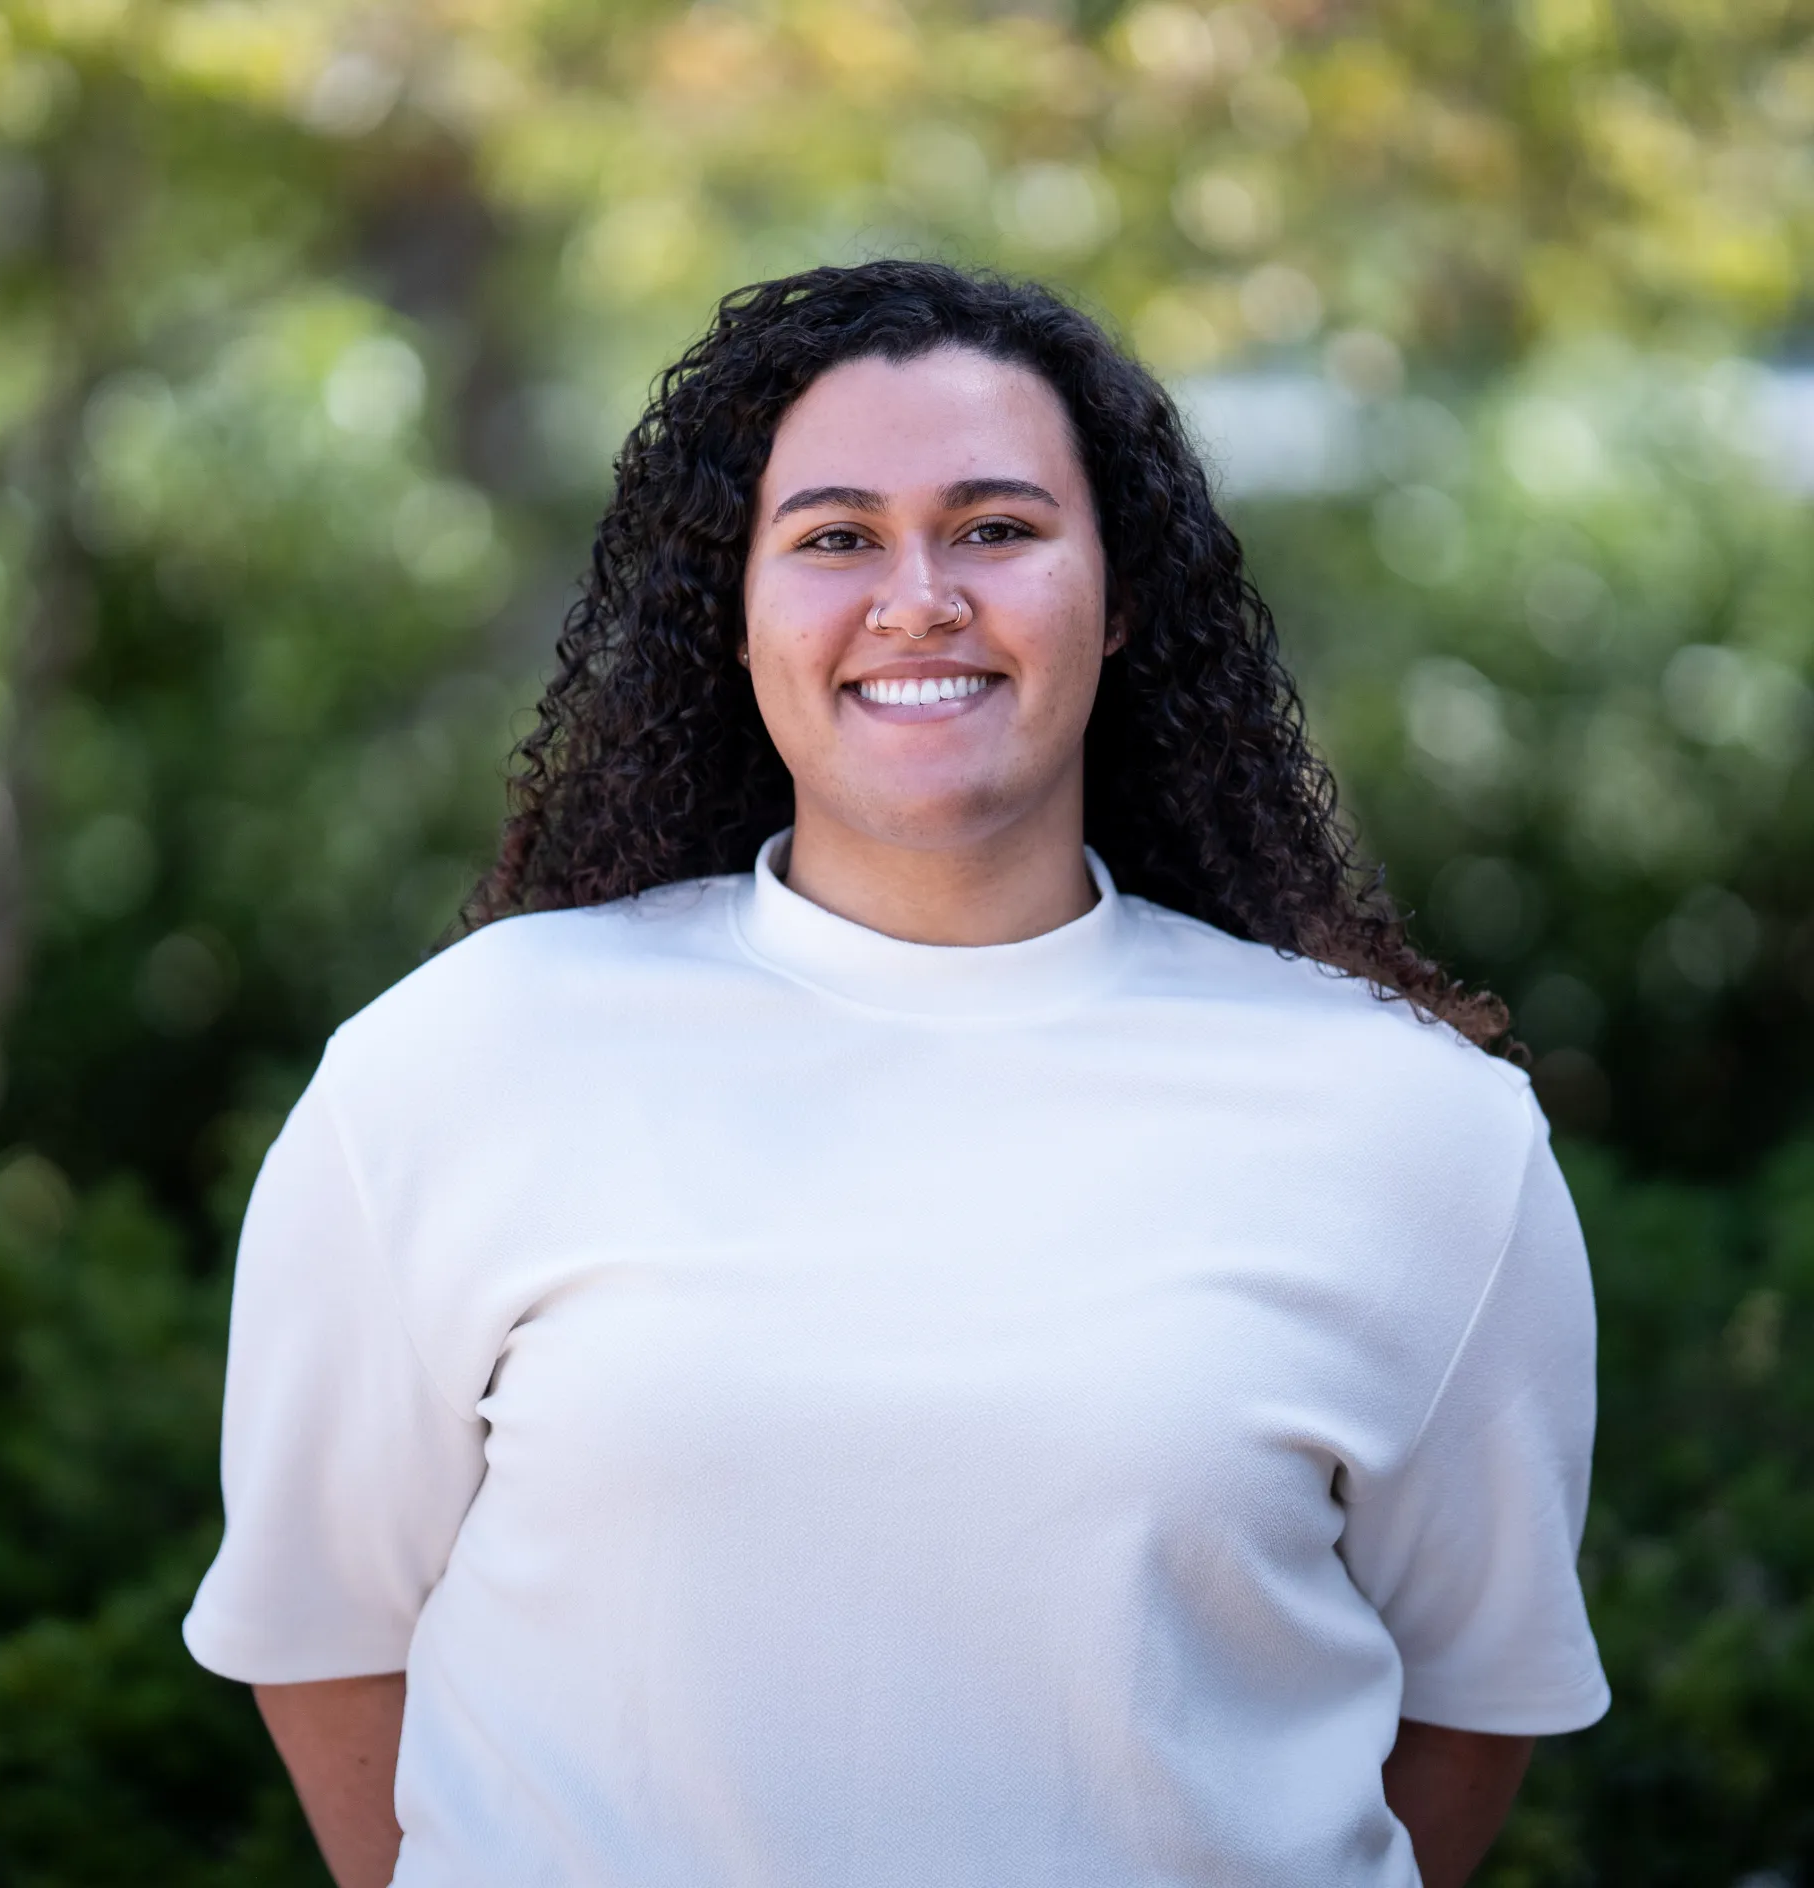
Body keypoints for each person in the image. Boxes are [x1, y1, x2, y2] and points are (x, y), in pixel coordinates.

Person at [183, 260, 1609, 1888]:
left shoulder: (1415, 1129)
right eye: (835, 536)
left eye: (996, 529)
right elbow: (326, 1643)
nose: (919, 596)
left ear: (1119, 594)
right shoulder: (453, 1069)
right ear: (735, 608)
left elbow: (1470, 1711)